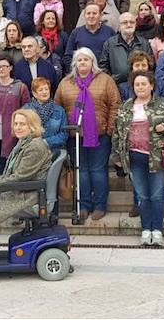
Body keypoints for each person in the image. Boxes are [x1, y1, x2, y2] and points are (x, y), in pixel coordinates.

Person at [0, 109, 52, 260]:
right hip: (21, 187)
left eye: (23, 124)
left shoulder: (35, 146)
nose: (18, 127)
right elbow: (12, 174)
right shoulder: (25, 142)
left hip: (28, 193)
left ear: (32, 126)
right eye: (16, 123)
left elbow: (21, 177)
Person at [111, 71, 164, 245]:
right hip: (134, 157)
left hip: (157, 157)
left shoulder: (163, 105)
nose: (140, 87)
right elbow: (117, 133)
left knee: (156, 195)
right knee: (141, 195)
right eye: (137, 84)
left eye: (143, 84)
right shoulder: (126, 107)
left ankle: (157, 229)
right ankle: (145, 229)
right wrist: (117, 155)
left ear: (152, 85)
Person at [54, 47, 121, 221]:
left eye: (86, 59)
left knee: (98, 170)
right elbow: (58, 107)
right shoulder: (66, 83)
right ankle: (83, 205)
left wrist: (109, 128)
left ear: (93, 62)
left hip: (100, 135)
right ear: (74, 63)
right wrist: (64, 129)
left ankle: (99, 205)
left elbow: (115, 104)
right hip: (74, 136)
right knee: (81, 171)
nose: (83, 62)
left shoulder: (105, 80)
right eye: (79, 60)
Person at [0, 54, 31, 176]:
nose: (1, 69)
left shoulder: (20, 87)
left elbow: (27, 111)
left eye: (4, 66)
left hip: (13, 135)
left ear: (10, 68)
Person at [99, 12, 153, 86]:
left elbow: (151, 65)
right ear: (119, 26)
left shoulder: (144, 43)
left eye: (132, 22)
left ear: (135, 24)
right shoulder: (110, 43)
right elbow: (103, 66)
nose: (129, 25)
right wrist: (112, 79)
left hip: (140, 86)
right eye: (125, 22)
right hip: (117, 86)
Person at [23, 77, 68, 156]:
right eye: (40, 90)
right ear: (34, 93)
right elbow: (22, 132)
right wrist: (37, 144)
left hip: (54, 152)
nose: (44, 92)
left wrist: (46, 142)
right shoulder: (27, 110)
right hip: (32, 152)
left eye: (46, 89)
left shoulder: (59, 110)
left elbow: (64, 134)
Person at [64, 3, 113, 70]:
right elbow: (68, 56)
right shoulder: (76, 33)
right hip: (82, 74)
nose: (91, 16)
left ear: (101, 15)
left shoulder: (109, 32)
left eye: (94, 13)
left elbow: (115, 55)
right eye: (88, 13)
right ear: (84, 15)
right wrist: (77, 71)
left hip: (104, 74)